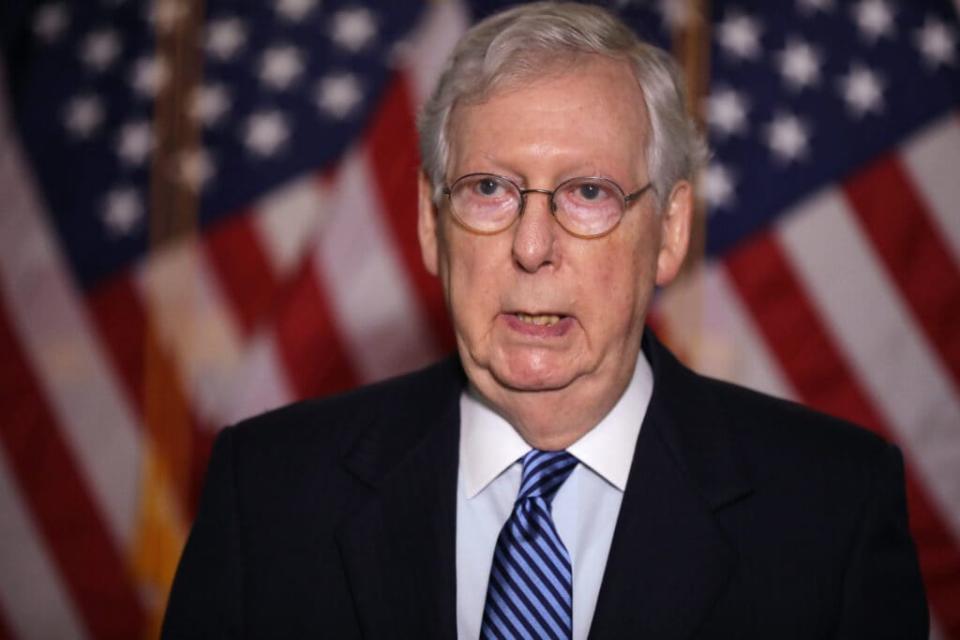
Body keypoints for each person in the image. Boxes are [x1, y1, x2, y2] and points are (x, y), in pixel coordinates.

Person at [161, 3, 928, 638]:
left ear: (668, 231)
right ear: (434, 227)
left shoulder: (832, 512)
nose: (532, 248)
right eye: (489, 187)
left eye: (588, 193)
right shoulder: (266, 496)